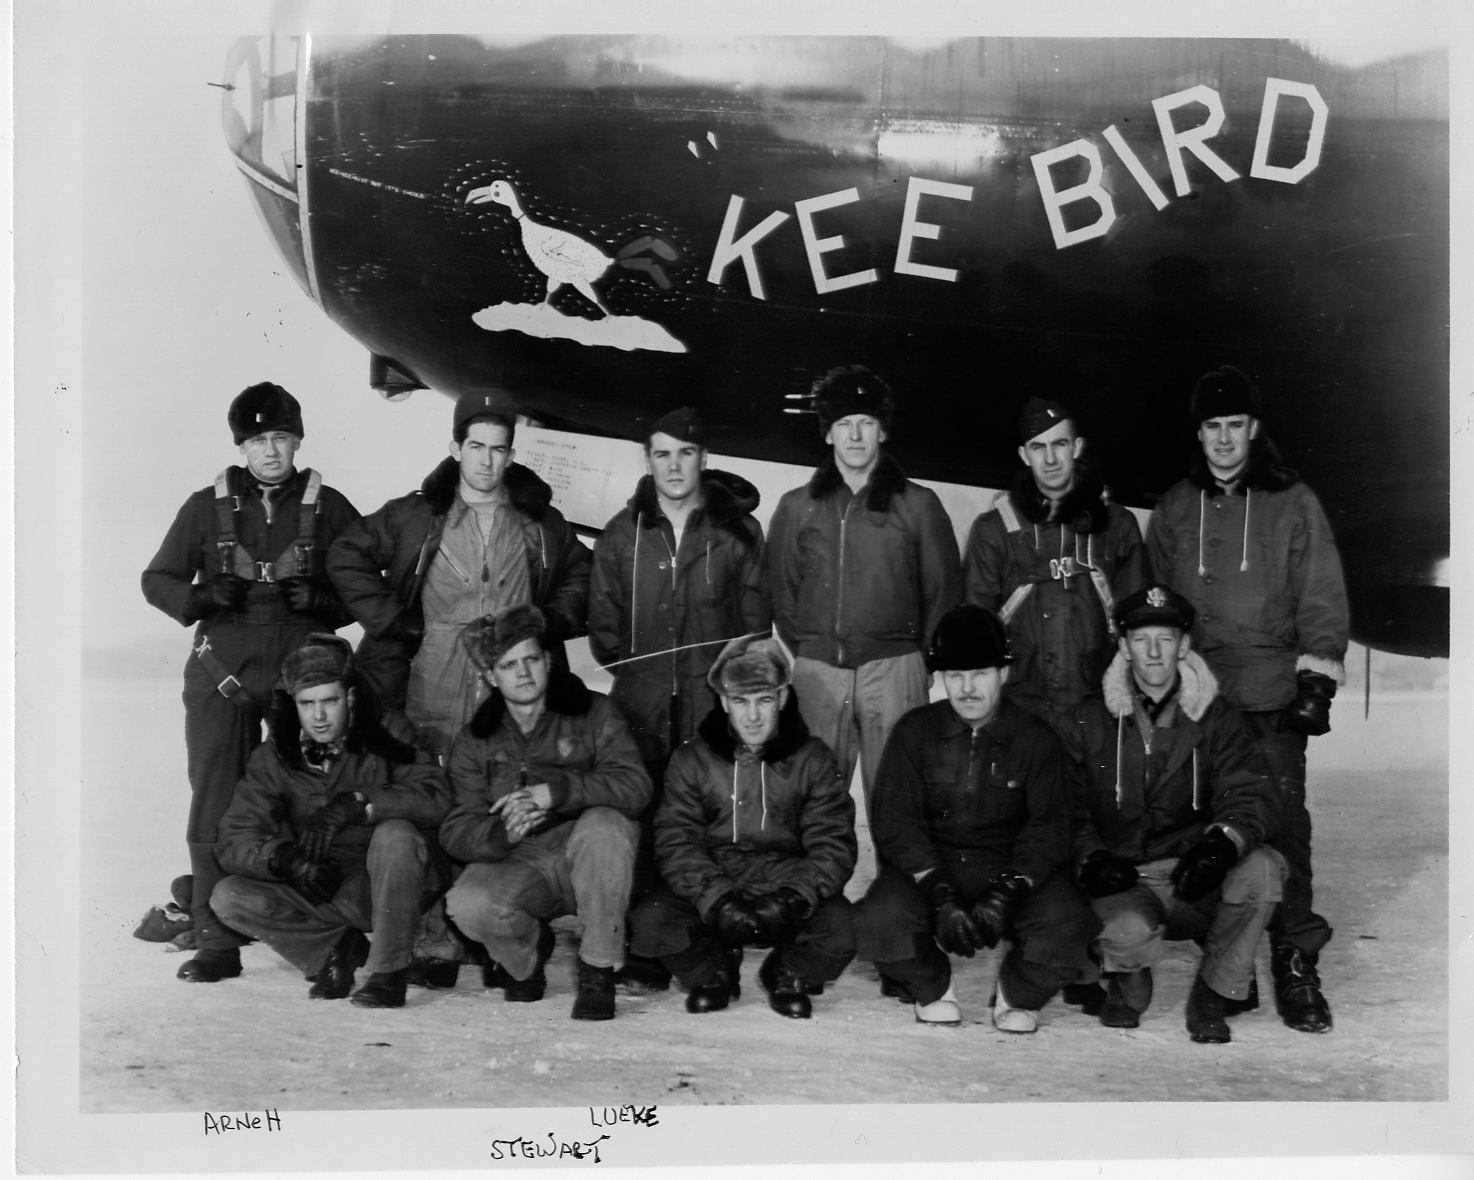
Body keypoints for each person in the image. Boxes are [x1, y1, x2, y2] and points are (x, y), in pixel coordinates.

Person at [1146, 366, 1346, 1034]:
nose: (1225, 439)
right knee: (1202, 830)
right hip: (1198, 697)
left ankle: (1295, 960)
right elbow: (1155, 605)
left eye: (1235, 425)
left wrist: (1315, 680)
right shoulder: (1176, 507)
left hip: (1269, 696)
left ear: (1254, 429)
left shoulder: (1293, 502)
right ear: (1199, 432)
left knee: (1282, 829)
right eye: (1213, 426)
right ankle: (1229, 962)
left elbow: (1320, 590)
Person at [141, 383, 359, 984]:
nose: (270, 451)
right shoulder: (203, 508)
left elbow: (368, 583)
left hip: (303, 679)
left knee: (310, 798)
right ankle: (216, 941)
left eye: (281, 438)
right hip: (223, 674)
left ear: (298, 442)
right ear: (241, 446)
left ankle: (298, 913)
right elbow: (157, 578)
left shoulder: (331, 507)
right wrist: (198, 598)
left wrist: (329, 601)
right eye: (259, 440)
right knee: (214, 803)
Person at [588, 406, 771, 990]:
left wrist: (712, 683)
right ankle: (648, 947)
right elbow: (604, 631)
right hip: (640, 709)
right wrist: (646, 678)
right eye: (662, 454)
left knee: (711, 824)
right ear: (648, 459)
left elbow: (755, 628)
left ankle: (717, 939)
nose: (674, 466)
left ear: (703, 458)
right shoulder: (623, 533)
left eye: (686, 453)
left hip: (709, 708)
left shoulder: (737, 532)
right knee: (643, 823)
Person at [852, 605, 1099, 1030]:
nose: (967, 688)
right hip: (934, 865)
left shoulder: (1036, 737)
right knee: (877, 920)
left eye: (980, 673)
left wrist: (1008, 891)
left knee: (1068, 922)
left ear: (1003, 672)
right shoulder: (914, 731)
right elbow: (896, 822)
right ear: (941, 678)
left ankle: (1018, 994)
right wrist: (937, 891)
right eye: (955, 675)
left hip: (1008, 866)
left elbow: (1051, 827)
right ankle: (932, 988)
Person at [1060, 584, 1286, 1043]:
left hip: (1191, 879)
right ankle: (1126, 976)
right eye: (1141, 640)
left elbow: (1251, 793)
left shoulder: (1217, 717)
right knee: (1124, 934)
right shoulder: (1086, 719)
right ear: (1124, 647)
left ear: (1183, 645)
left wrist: (1220, 846)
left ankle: (1214, 991)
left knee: (1262, 870)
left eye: (1165, 639)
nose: (1154, 652)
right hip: (1123, 880)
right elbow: (1062, 804)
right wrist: (1091, 858)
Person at [327, 388, 591, 759]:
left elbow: (581, 570)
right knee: (425, 772)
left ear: (511, 456)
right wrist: (393, 621)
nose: (486, 461)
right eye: (476, 446)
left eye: (497, 449)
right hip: (430, 683)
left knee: (504, 774)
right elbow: (346, 554)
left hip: (511, 686)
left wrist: (551, 620)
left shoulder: (541, 524)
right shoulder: (416, 516)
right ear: (456, 450)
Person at [210, 635, 454, 1006]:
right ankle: (335, 950)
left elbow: (435, 795)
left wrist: (362, 803)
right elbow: (234, 838)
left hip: (395, 882)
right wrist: (285, 859)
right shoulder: (275, 755)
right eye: (307, 704)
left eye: (329, 701)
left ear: (350, 698)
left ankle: (388, 973)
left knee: (395, 834)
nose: (319, 716)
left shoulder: (387, 731)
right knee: (229, 896)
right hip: (325, 885)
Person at [767, 365, 962, 829]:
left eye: (866, 423)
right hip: (819, 675)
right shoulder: (796, 507)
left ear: (883, 430)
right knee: (811, 806)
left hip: (894, 671)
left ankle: (899, 877)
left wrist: (916, 662)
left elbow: (944, 591)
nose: (855, 435)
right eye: (844, 424)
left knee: (901, 807)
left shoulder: (919, 504)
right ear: (828, 433)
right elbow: (782, 589)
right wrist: (812, 649)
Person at [439, 605, 652, 1021]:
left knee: (605, 825)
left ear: (547, 662)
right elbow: (456, 827)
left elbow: (635, 786)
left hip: (588, 852)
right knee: (466, 904)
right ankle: (528, 957)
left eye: (531, 659)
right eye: (508, 665)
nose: (523, 673)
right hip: (524, 859)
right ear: (490, 676)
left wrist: (558, 793)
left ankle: (597, 970)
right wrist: (503, 832)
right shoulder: (475, 740)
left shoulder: (594, 712)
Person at [628, 636, 856, 1019]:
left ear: (782, 697)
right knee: (651, 922)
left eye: (764, 700)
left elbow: (833, 845)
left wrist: (793, 898)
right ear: (723, 702)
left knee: (845, 927)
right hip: (718, 881)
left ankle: (787, 971)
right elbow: (675, 841)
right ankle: (714, 968)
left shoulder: (812, 758)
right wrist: (717, 900)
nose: (753, 716)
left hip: (785, 884)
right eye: (740, 701)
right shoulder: (692, 759)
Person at [962, 396, 1146, 730]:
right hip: (1018, 709)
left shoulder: (1117, 525)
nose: (1049, 459)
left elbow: (1140, 625)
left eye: (1059, 444)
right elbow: (976, 633)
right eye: (1038, 447)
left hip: (1095, 708)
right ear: (1024, 455)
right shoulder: (992, 530)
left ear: (1077, 447)